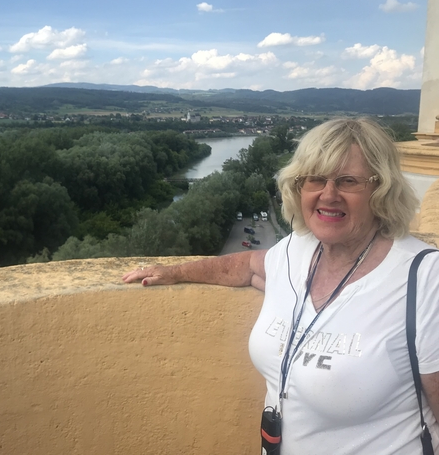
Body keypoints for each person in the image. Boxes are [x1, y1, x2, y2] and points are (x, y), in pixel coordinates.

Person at [123, 118, 439, 454]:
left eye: (348, 181)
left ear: (382, 188)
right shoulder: (295, 250)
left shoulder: (424, 278)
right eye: (315, 179)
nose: (328, 195)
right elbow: (244, 265)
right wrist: (176, 272)